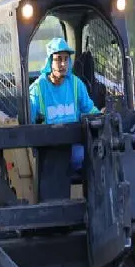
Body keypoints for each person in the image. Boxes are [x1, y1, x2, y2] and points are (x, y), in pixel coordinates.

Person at [29, 37, 100, 172]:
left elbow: (89, 109)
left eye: (65, 59)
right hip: (48, 152)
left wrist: (102, 115)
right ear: (49, 61)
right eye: (58, 59)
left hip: (74, 148)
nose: (62, 64)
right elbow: (29, 123)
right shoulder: (37, 89)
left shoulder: (76, 84)